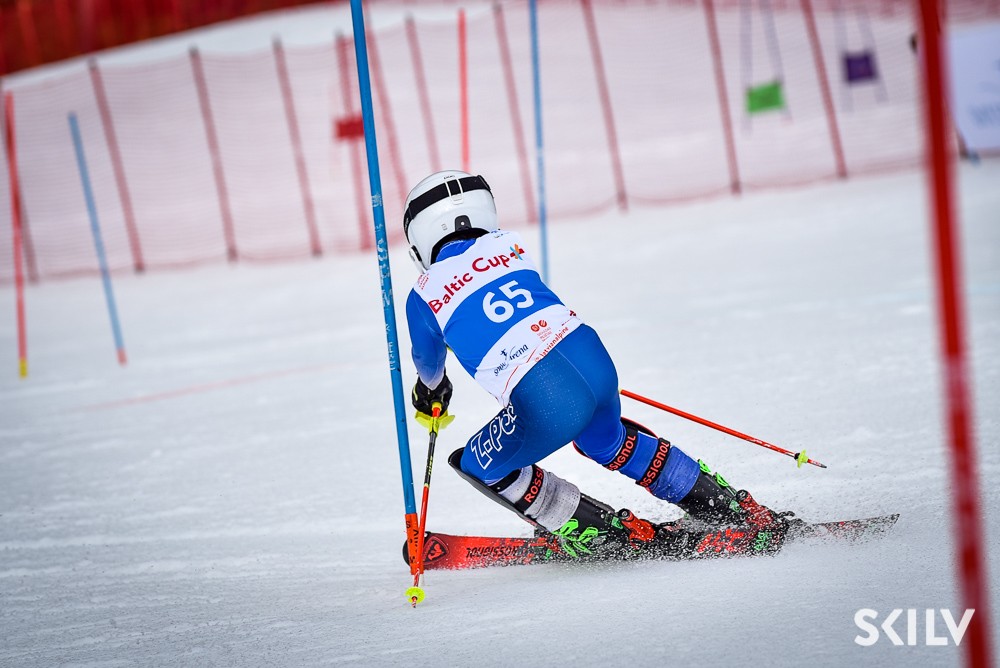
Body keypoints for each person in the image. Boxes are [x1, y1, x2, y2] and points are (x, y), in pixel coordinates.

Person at [403, 170, 788, 558]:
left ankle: (600, 532)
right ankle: (729, 507)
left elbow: (428, 362)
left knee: (478, 463)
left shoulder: (422, 295)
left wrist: (431, 389)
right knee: (605, 440)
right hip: (593, 361)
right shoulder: (509, 244)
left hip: (545, 397)